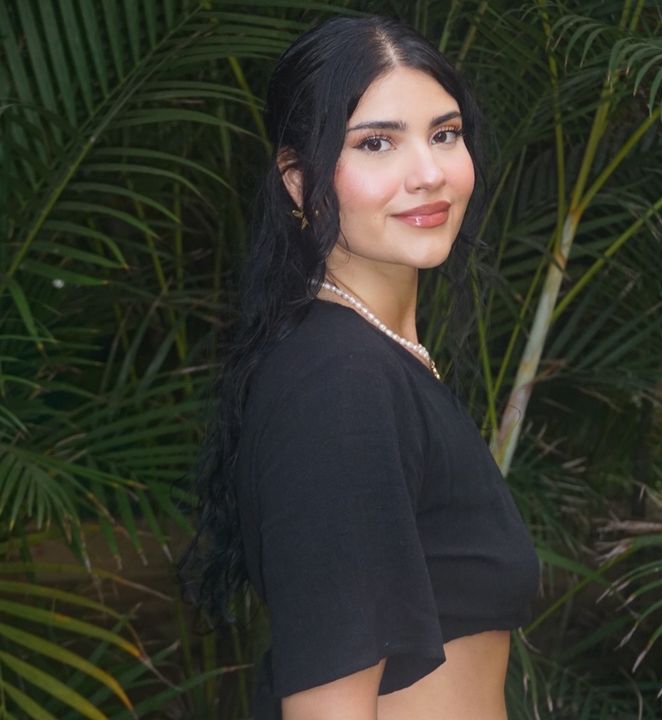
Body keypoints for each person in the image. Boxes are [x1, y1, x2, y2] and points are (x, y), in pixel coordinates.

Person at [179, 14, 540, 720]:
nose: (429, 173)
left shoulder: (372, 360)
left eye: (445, 133)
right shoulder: (339, 386)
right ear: (298, 181)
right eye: (376, 143)